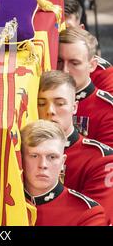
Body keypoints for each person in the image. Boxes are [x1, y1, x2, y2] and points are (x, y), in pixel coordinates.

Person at [38, 70, 113, 221]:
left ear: (74, 107)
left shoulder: (101, 159)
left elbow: (94, 219)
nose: (50, 111)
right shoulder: (21, 152)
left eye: (59, 103)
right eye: (41, 103)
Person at [21, 120, 110, 225]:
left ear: (62, 162)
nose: (43, 165)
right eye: (34, 156)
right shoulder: (1, 204)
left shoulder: (88, 213)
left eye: (52, 157)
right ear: (21, 158)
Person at [58, 27, 113, 146]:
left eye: (74, 63)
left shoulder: (107, 110)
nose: (65, 70)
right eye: (59, 61)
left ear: (92, 65)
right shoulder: (38, 97)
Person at [63, 0, 113, 93]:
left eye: (67, 29)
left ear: (81, 30)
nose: (60, 35)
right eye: (54, 29)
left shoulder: (102, 73)